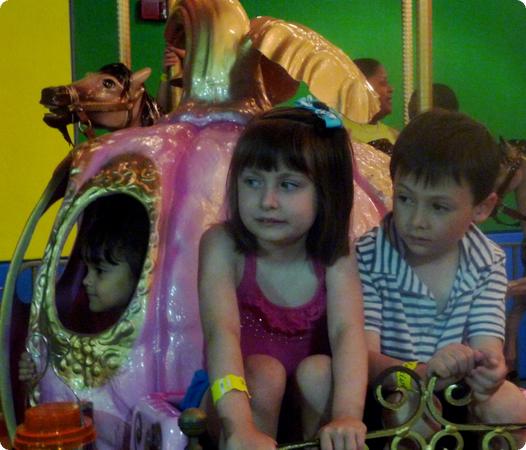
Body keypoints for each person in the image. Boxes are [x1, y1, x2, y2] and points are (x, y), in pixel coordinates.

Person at [189, 105, 368, 450]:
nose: (267, 201)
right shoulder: (222, 245)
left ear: (326, 192)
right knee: (265, 373)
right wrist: (239, 426)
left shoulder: (335, 256)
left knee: (320, 371)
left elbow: (348, 335)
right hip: (232, 395)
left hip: (304, 400)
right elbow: (221, 333)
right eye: (253, 182)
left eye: (288, 185)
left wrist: (347, 416)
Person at [356, 109, 526, 446]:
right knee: (412, 411)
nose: (416, 220)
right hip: (391, 389)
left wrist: (489, 369)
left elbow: (486, 345)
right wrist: (423, 371)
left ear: (482, 209)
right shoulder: (369, 255)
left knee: (511, 405)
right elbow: (364, 359)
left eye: (438, 207)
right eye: (404, 199)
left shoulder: (487, 260)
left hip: (458, 392)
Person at [19, 195, 150, 381]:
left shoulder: (150, 329)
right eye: (87, 269)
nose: (86, 280)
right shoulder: (84, 321)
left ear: (140, 275)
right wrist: (36, 370)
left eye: (100, 271)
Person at [344, 58, 398, 154]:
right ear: (360, 87)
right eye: (383, 83)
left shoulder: (394, 135)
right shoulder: (339, 134)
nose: (391, 89)